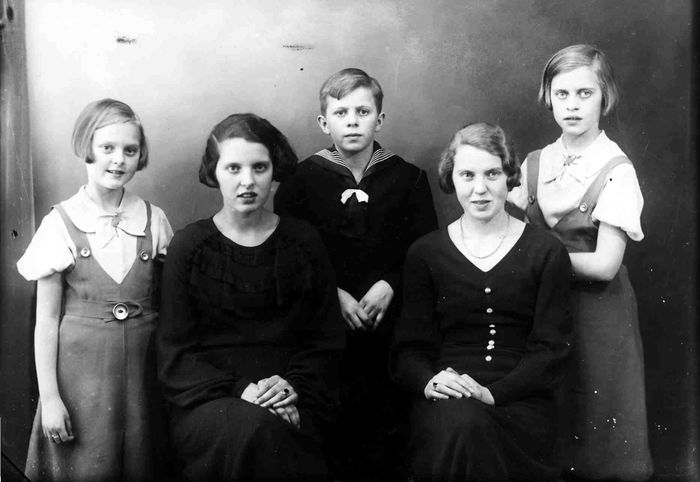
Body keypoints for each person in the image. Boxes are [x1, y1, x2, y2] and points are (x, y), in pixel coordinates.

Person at [157, 113, 345, 481]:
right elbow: (176, 355)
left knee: (272, 432)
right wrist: (243, 391)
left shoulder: (304, 241)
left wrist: (291, 388)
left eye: (259, 167)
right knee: (256, 429)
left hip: (294, 396)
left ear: (274, 171)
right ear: (214, 172)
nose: (247, 181)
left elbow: (326, 341)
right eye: (233, 168)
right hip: (212, 402)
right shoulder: (189, 246)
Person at [274, 67, 438, 480]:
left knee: (389, 425)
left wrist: (390, 284)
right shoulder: (300, 180)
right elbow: (290, 256)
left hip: (389, 324)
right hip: (327, 324)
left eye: (363, 112)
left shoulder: (408, 178)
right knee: (331, 427)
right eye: (341, 112)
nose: (352, 121)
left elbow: (423, 252)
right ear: (323, 122)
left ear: (379, 120)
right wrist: (334, 294)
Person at [392, 122, 572, 481]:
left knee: (471, 427)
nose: (480, 189)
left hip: (520, 404)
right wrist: (430, 382)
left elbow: (551, 352)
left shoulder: (546, 251)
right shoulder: (425, 253)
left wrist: (491, 394)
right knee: (462, 424)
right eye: (467, 175)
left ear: (510, 176)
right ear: (451, 179)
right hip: (447, 401)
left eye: (492, 173)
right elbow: (408, 351)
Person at [508, 44, 653, 481]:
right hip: (541, 315)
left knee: (598, 434)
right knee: (546, 428)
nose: (572, 105)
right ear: (548, 97)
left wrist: (536, 260)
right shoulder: (535, 164)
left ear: (605, 96)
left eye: (585, 93)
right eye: (562, 93)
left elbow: (605, 264)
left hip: (598, 315)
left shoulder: (615, 169)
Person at [17, 98, 173, 481]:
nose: (118, 160)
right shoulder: (61, 223)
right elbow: (46, 321)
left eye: (130, 150)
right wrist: (50, 398)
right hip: (80, 385)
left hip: (142, 383)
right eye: (107, 148)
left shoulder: (153, 220)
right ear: (85, 147)